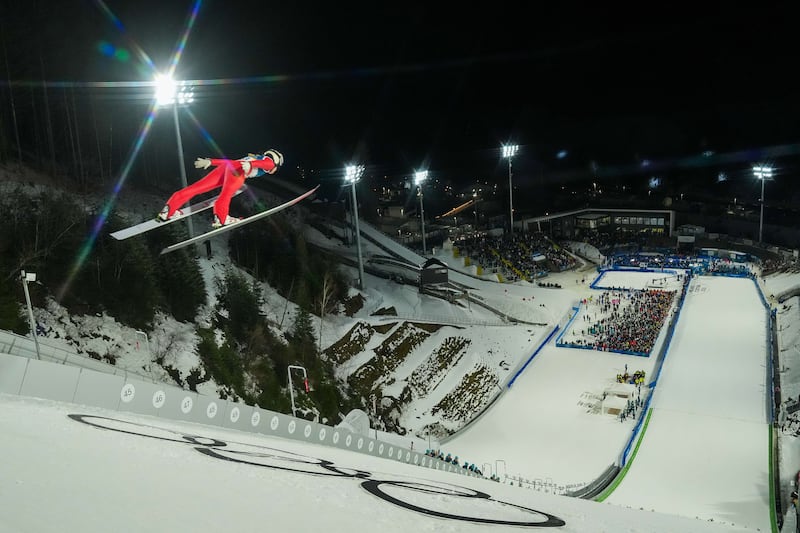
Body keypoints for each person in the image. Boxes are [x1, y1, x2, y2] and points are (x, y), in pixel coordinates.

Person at [156, 149, 283, 228]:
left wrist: (211, 162)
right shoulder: (268, 162)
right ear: (276, 163)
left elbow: (231, 162)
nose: (275, 169)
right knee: (226, 195)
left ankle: (168, 211)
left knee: (197, 188)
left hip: (227, 168)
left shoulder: (256, 157)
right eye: (277, 167)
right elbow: (267, 164)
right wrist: (251, 165)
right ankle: (221, 219)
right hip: (237, 171)